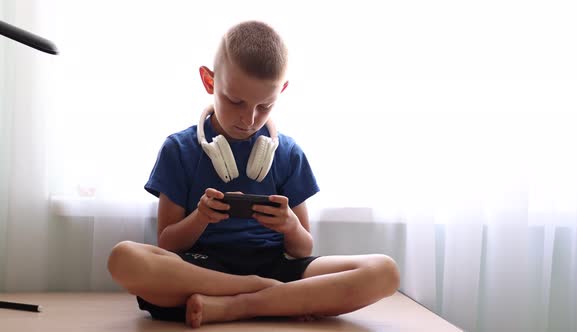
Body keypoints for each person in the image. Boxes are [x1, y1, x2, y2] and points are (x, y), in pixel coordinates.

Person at [107, 20, 400, 328]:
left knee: (384, 271)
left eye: (265, 106)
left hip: (274, 266)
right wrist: (201, 218)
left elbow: (302, 249)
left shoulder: (287, 153)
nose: (249, 119)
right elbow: (168, 245)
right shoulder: (178, 150)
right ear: (209, 81)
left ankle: (240, 306)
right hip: (203, 271)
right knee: (124, 258)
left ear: (282, 91)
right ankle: (274, 298)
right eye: (235, 101)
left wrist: (289, 225)